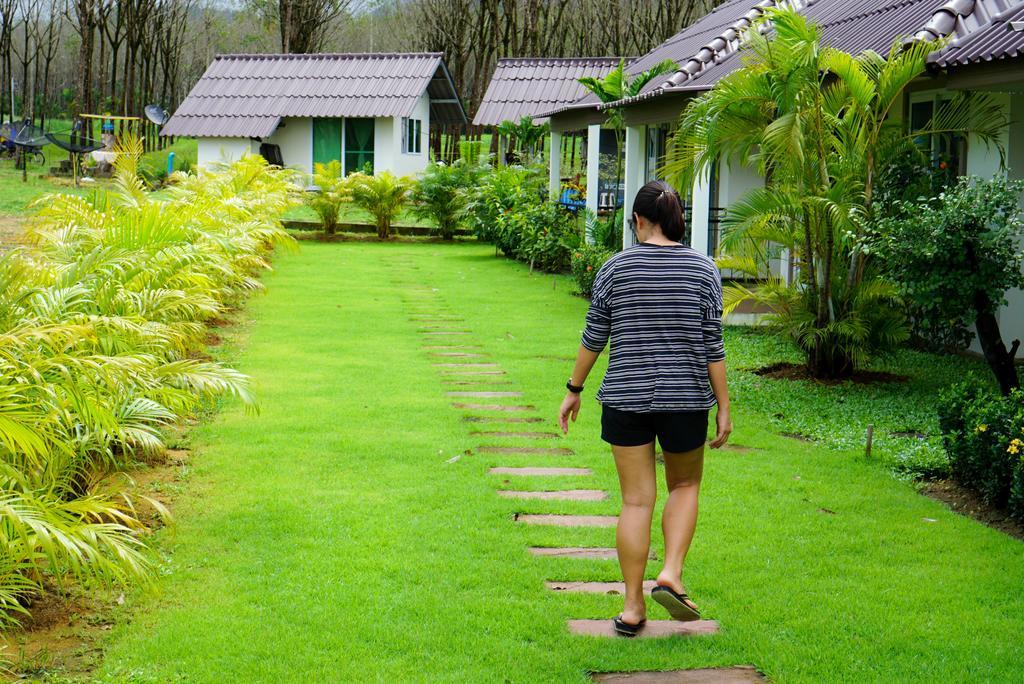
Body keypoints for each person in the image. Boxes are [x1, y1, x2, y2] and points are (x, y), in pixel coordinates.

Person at [557, 179, 731, 637]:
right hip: (687, 400)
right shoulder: (703, 269)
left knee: (636, 500)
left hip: (626, 398)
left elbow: (594, 336)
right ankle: (671, 571)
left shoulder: (616, 269)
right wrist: (725, 407)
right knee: (686, 483)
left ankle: (633, 608)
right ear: (676, 220)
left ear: (637, 220)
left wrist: (574, 388)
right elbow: (713, 346)